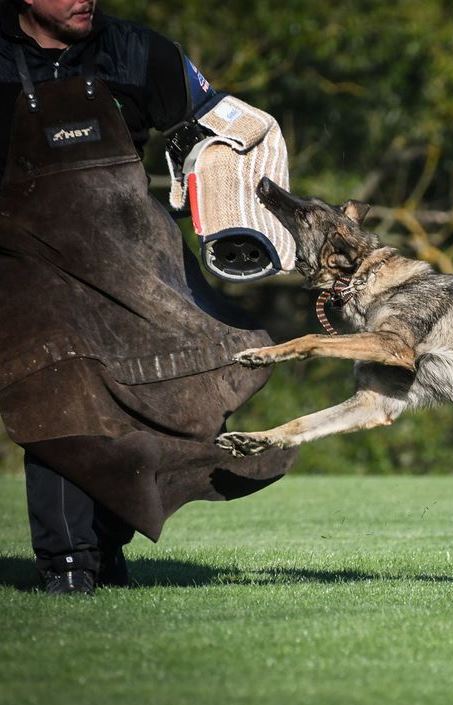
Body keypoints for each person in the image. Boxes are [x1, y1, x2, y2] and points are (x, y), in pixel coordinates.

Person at [0, 0, 296, 595]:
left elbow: (219, 120)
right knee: (61, 392)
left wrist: (226, 173)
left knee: (206, 369)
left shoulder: (141, 52)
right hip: (28, 262)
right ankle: (69, 567)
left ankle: (110, 542)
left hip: (131, 258)